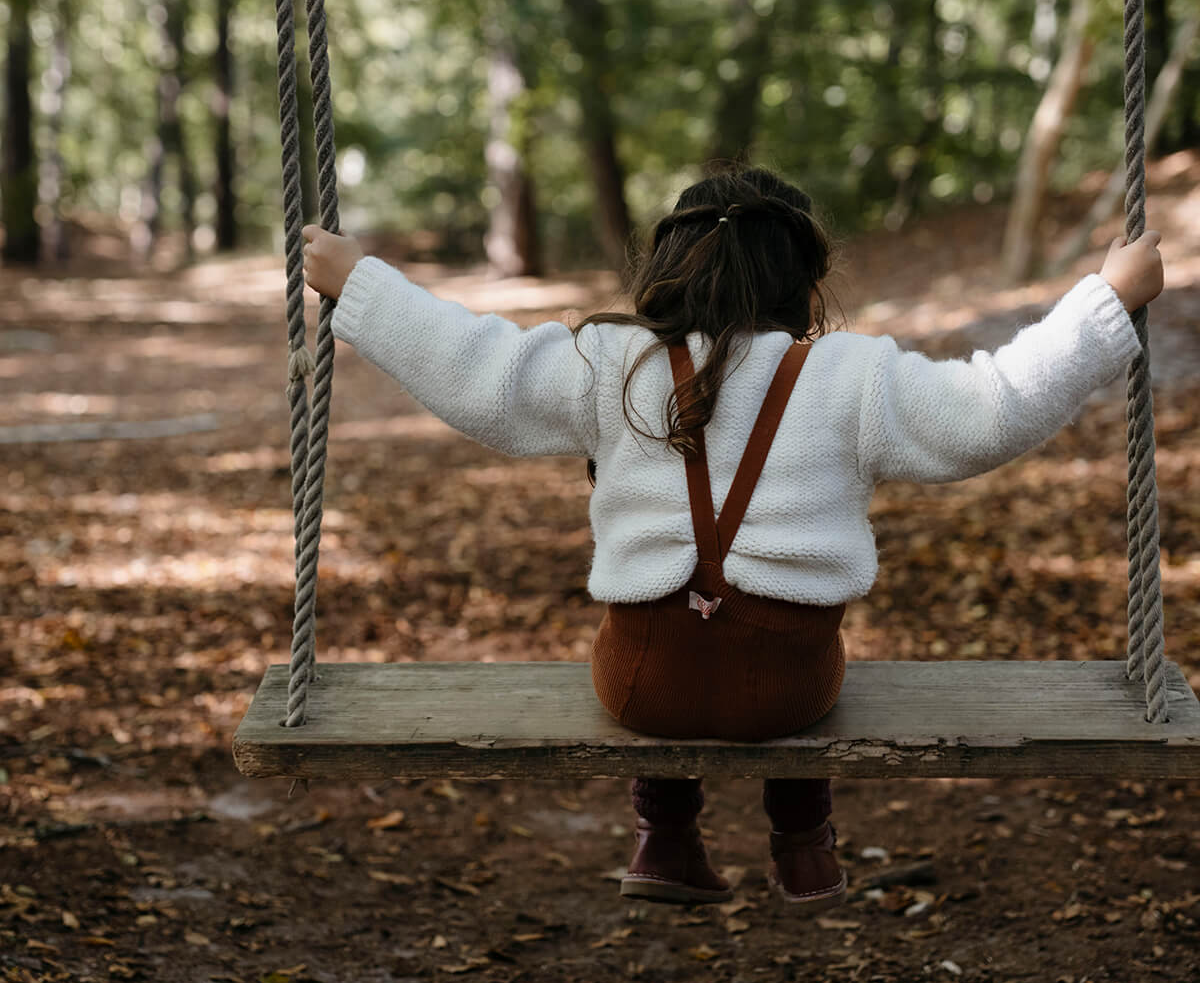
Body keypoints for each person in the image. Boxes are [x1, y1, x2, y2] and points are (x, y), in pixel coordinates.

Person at [300, 166, 1164, 913]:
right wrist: (1107, 300)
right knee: (800, 641)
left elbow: (475, 366)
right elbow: (991, 408)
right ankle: (804, 847)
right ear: (803, 278)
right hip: (787, 688)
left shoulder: (611, 361)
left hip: (643, 685)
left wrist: (362, 284)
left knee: (667, 640)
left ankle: (662, 841)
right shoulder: (850, 374)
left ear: (671, 265)